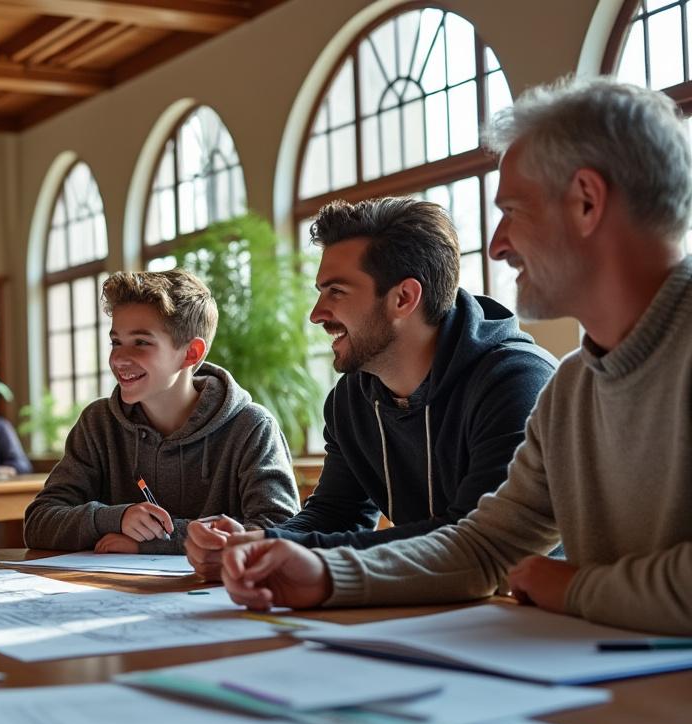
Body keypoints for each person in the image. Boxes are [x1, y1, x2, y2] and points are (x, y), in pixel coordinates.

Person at [215, 77, 692, 635]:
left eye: (512, 209)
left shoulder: (536, 380)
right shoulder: (572, 390)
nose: (496, 244)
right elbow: (485, 546)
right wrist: (326, 574)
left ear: (587, 201)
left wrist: (574, 586)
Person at [186, 198, 556, 577]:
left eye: (336, 292)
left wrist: (280, 549)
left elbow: (469, 540)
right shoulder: (351, 398)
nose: (316, 314)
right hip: (432, 613)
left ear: (403, 298)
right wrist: (256, 539)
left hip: (537, 620)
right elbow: (336, 514)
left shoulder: (516, 384)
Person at [23, 269, 297, 554]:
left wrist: (154, 542)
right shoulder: (98, 423)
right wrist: (116, 518)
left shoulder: (253, 427)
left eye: (141, 342)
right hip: (112, 594)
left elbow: (279, 531)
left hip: (219, 596)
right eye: (116, 341)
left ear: (191, 353)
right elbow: (38, 523)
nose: (118, 358)